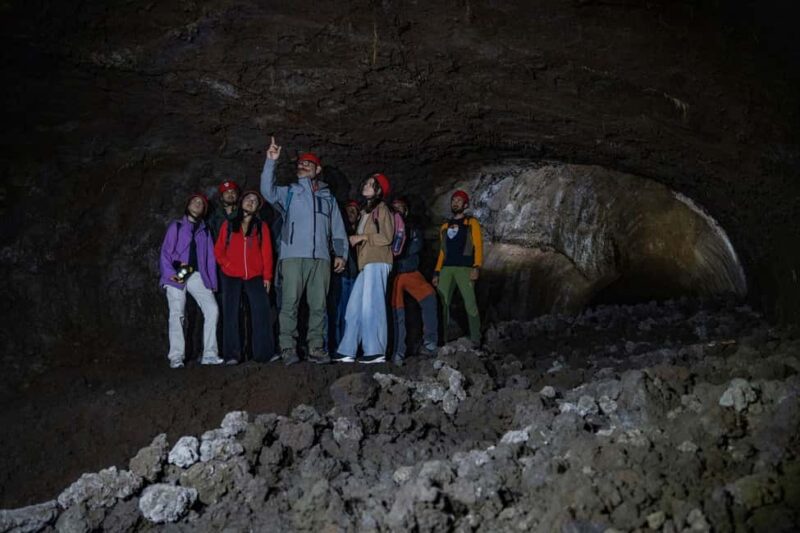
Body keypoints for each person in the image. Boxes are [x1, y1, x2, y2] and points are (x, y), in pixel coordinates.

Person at [260, 136, 348, 365]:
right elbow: (266, 192)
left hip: (320, 258)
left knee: (318, 305)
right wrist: (271, 162)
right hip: (292, 257)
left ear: (317, 169)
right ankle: (288, 347)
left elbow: (337, 228)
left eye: (308, 163)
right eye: (300, 163)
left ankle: (316, 348)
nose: (302, 165)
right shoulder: (289, 192)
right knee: (289, 303)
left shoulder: (328, 198)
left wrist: (340, 254)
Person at [332, 174, 394, 364]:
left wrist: (362, 237)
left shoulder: (382, 209)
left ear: (378, 191)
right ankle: (347, 349)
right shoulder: (366, 212)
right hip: (365, 264)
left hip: (378, 260)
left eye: (370, 184)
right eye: (365, 182)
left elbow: (387, 237)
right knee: (354, 307)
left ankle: (375, 350)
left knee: (371, 306)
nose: (365, 185)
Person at [158, 193, 222, 368]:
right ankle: (176, 357)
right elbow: (165, 252)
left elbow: (210, 259)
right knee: (177, 313)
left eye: (201, 203)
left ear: (204, 209)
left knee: (212, 309)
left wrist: (212, 282)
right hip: (178, 271)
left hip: (195, 274)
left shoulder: (205, 230)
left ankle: (209, 354)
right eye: (194, 201)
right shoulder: (176, 226)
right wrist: (169, 273)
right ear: (188, 206)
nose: (197, 204)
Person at [214, 190, 275, 364]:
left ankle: (264, 353)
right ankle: (232, 355)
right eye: (248, 199)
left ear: (257, 207)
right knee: (231, 314)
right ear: (241, 203)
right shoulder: (229, 224)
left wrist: (267, 277)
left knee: (261, 311)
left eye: (255, 201)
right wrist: (226, 265)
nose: (251, 201)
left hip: (255, 275)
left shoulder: (261, 227)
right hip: (231, 275)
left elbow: (267, 253)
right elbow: (218, 250)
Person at [389, 196, 439, 366]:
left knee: (430, 297)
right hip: (395, 274)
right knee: (398, 312)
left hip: (410, 272)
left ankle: (430, 343)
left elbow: (414, 248)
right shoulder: (387, 227)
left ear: (406, 210)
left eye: (400, 207)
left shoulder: (413, 229)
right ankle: (398, 352)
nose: (397, 210)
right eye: (394, 207)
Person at [433, 189, 483, 347]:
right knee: (443, 303)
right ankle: (444, 340)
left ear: (466, 205)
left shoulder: (471, 223)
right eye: (454, 200)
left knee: (470, 302)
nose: (455, 202)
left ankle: (476, 338)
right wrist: (437, 272)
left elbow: (478, 245)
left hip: (465, 268)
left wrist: (477, 267)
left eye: (459, 200)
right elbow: (442, 252)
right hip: (447, 269)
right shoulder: (445, 226)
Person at [327, 199, 360, 352]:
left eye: (353, 211)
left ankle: (347, 348)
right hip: (340, 276)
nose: (350, 214)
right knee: (336, 312)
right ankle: (334, 347)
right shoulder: (338, 232)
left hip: (354, 278)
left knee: (350, 315)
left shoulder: (360, 234)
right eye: (347, 211)